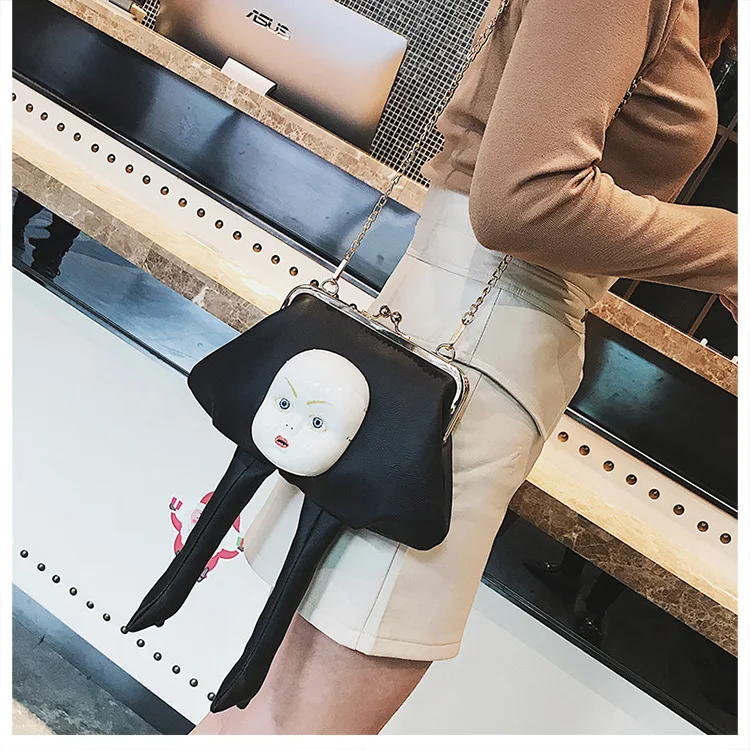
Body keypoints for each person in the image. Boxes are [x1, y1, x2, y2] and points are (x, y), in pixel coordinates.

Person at [190, 0, 738, 734]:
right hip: (473, 357)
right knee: (296, 726)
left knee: (268, 719)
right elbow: (525, 203)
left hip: (467, 343)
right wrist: (731, 249)